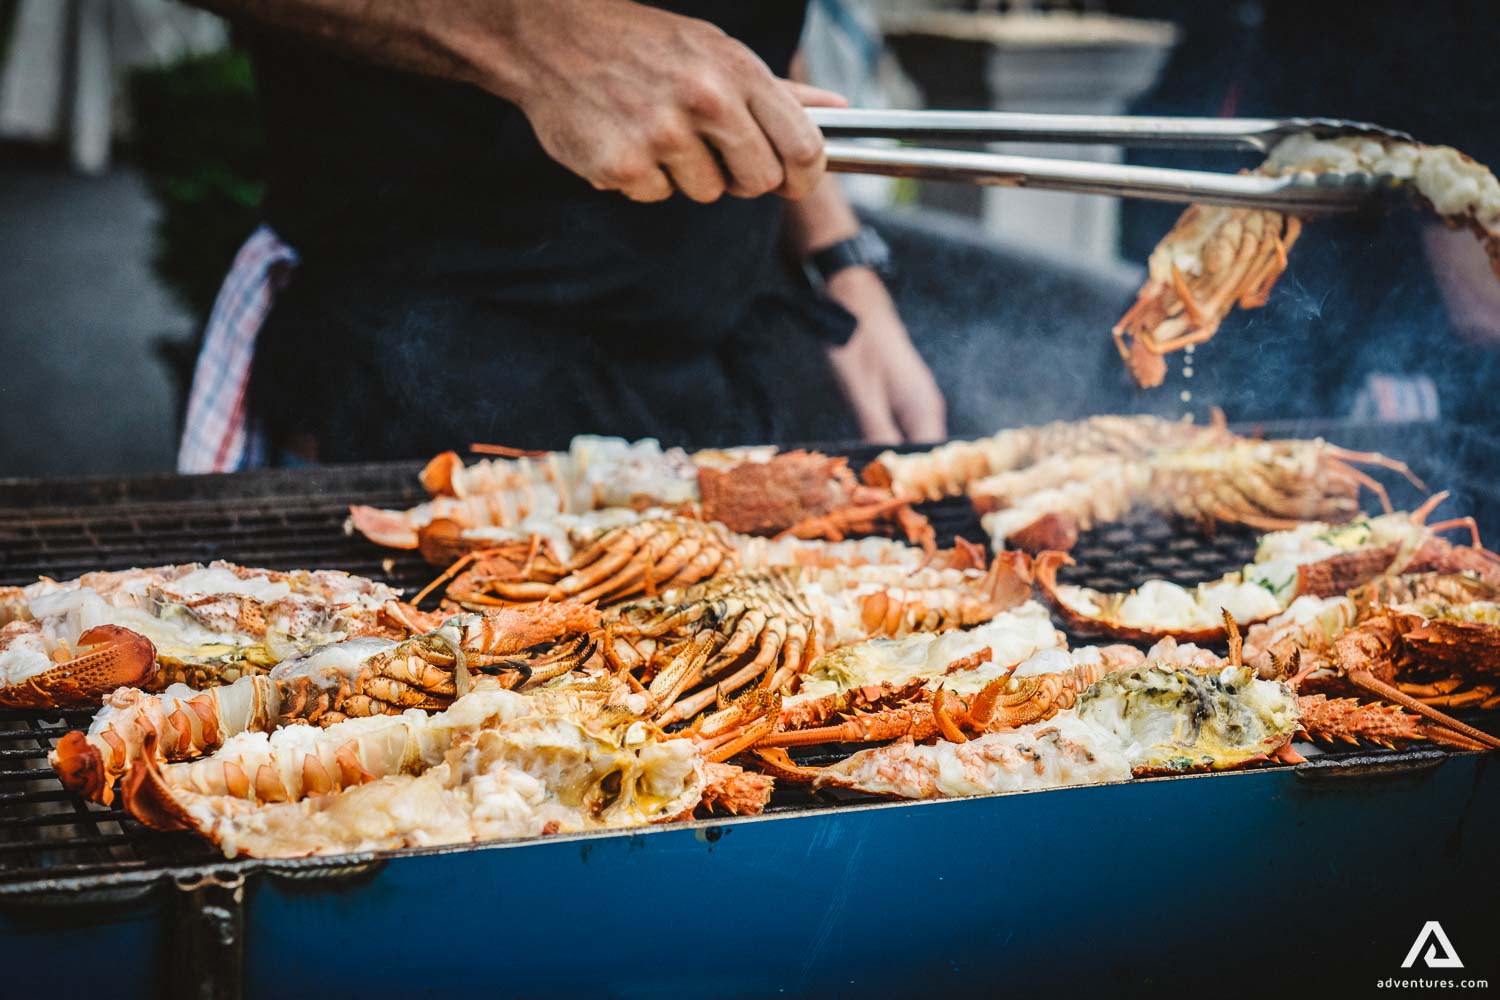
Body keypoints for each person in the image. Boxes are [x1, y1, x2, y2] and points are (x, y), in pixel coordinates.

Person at [176, 0, 945, 472]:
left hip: (718, 361)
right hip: (408, 371)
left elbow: (743, 41)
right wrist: (534, 32)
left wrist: (843, 264)